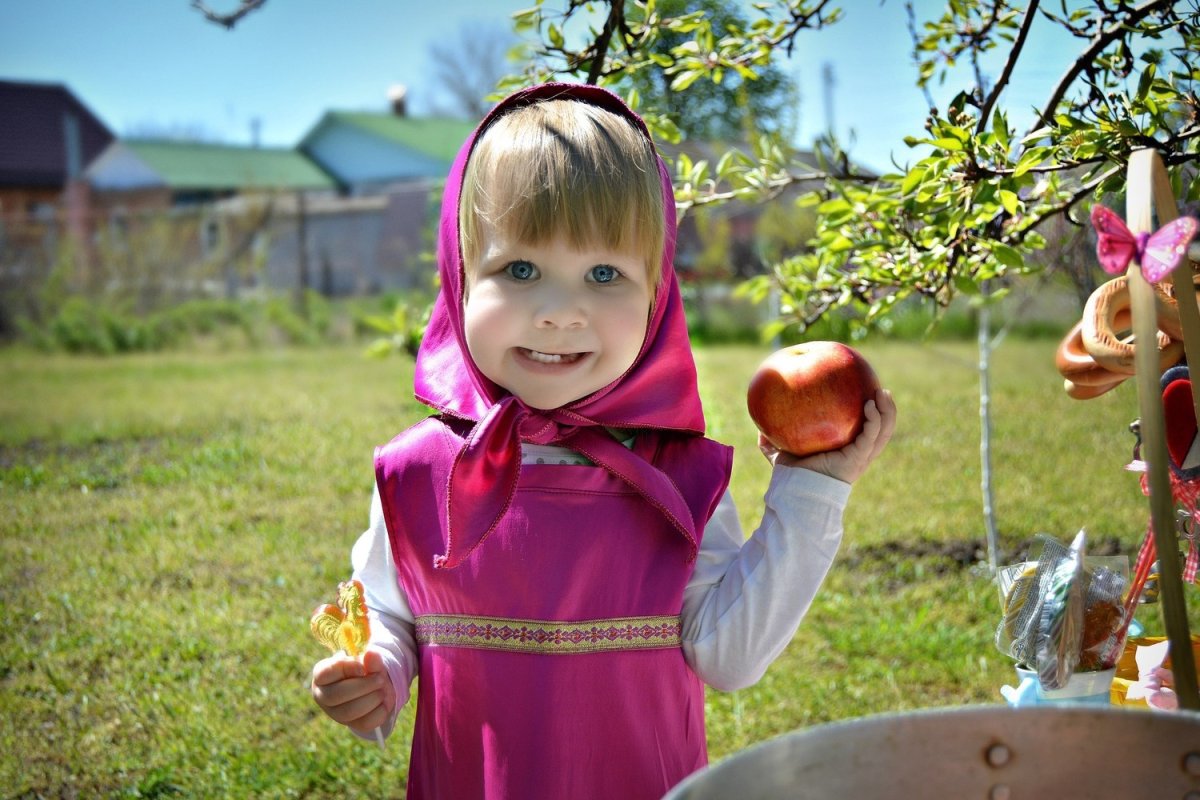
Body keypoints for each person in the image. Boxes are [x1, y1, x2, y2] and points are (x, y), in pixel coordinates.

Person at [310, 82, 897, 799]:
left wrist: (813, 489)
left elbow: (729, 657)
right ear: (459, 276)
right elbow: (387, 612)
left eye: (603, 274)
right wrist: (377, 670)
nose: (561, 311)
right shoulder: (419, 475)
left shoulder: (679, 479)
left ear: (656, 295)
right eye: (520, 269)